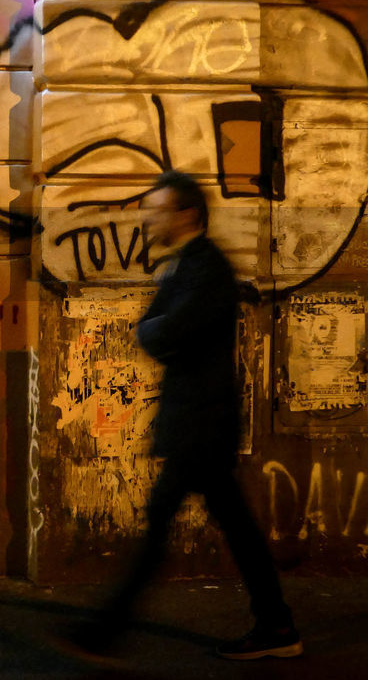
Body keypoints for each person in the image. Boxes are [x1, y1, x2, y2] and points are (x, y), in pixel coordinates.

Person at [74, 170, 302, 661]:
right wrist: (159, 331)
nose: (150, 219)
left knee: (166, 522)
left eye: (158, 210)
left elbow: (164, 332)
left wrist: (160, 332)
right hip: (196, 421)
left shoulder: (206, 270)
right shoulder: (183, 267)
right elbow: (151, 328)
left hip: (203, 423)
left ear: (187, 214)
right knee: (231, 524)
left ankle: (106, 633)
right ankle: (276, 623)